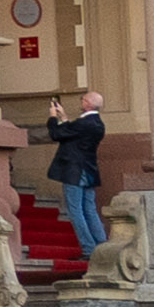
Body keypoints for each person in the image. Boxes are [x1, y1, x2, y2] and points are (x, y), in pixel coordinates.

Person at [44, 89, 109, 261]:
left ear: (88, 103)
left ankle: (88, 249)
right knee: (90, 209)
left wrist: (53, 117)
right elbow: (72, 135)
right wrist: (64, 117)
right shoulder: (98, 123)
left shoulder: (84, 123)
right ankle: (103, 247)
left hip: (74, 171)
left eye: (83, 99)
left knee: (75, 210)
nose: (81, 102)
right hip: (89, 170)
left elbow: (57, 134)